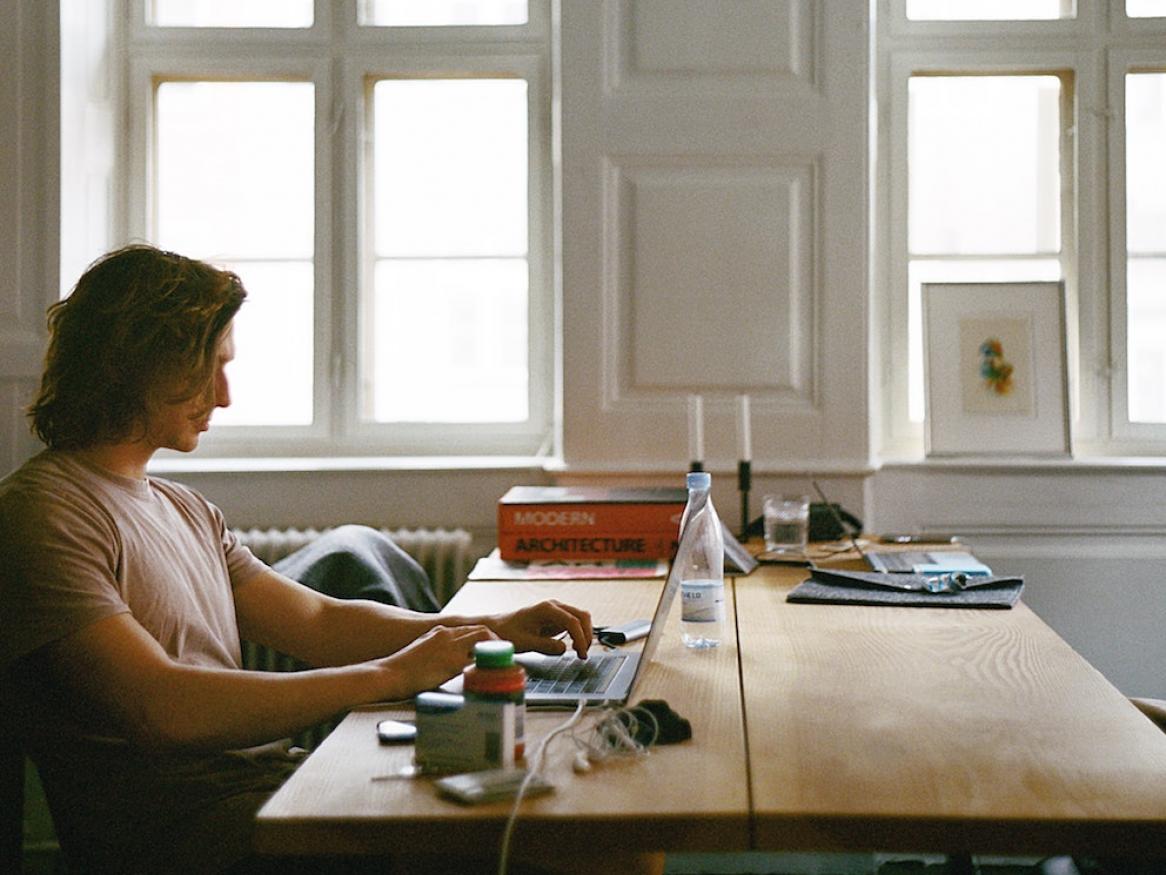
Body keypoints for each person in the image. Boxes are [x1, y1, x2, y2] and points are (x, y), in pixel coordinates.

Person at [0, 245, 593, 874]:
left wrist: (485, 632)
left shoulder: (185, 508)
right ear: (139, 363)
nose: (223, 397)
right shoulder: (42, 515)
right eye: (209, 369)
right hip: (181, 834)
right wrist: (393, 676)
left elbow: (318, 623)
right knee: (551, 843)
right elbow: (161, 708)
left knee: (564, 813)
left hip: (261, 789)